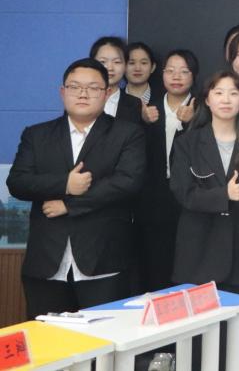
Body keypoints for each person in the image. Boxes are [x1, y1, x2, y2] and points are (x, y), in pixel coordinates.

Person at [7, 58, 145, 318]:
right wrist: (65, 184)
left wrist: (68, 205)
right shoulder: (36, 135)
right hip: (46, 263)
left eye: (93, 88)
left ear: (107, 93)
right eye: (75, 87)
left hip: (103, 262)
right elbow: (17, 182)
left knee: (104, 339)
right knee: (48, 340)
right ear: (63, 92)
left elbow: (127, 182)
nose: (83, 94)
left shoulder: (127, 134)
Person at [170, 70, 239, 371]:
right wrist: (222, 195)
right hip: (198, 257)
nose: (226, 99)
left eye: (234, 93)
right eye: (219, 92)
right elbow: (182, 193)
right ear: (207, 100)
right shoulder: (187, 143)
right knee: (198, 347)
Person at [135, 49, 198, 292]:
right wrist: (142, 121)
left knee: (186, 270)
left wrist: (191, 123)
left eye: (184, 71)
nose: (176, 76)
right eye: (170, 70)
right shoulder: (148, 109)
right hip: (153, 202)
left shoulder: (204, 107)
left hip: (190, 201)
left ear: (194, 75)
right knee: (155, 269)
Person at [90, 36, 146, 125]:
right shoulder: (81, 99)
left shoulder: (134, 104)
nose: (110, 68)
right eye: (103, 62)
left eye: (117, 62)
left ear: (125, 66)